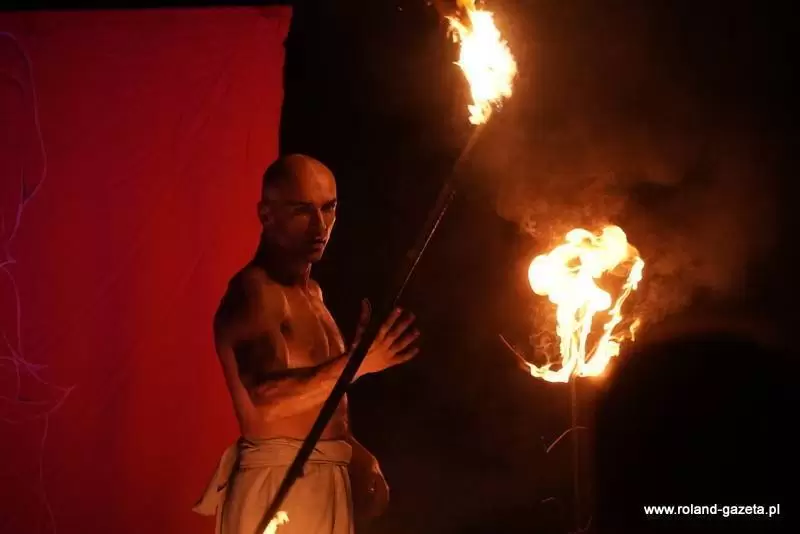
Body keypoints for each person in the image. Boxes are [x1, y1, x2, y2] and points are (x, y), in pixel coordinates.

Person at [193, 154, 420, 534]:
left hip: (320, 481)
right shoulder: (256, 293)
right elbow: (266, 401)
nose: (320, 226)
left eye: (329, 208)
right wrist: (358, 364)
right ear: (266, 215)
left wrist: (354, 453)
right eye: (302, 210)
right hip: (278, 485)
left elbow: (317, 405)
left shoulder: (313, 293)